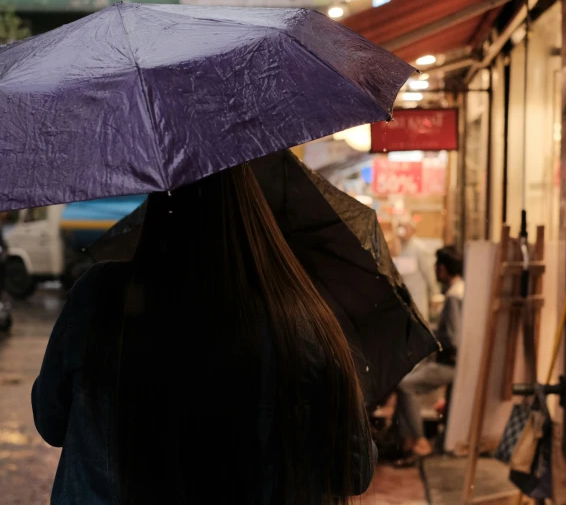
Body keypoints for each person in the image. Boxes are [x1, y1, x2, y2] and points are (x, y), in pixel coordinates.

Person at [32, 164, 377, 505]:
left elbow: (51, 421)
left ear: (158, 207)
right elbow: (352, 471)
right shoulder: (300, 323)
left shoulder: (99, 299)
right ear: (250, 211)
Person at [393, 245, 464, 467]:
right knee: (405, 377)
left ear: (442, 269)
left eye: (436, 266)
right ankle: (406, 441)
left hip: (452, 365)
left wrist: (432, 340)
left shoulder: (453, 296)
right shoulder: (460, 289)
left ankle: (420, 441)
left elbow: (453, 339)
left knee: (405, 385)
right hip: (453, 361)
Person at [396, 218, 439, 321]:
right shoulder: (401, 248)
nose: (401, 230)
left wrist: (434, 294)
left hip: (418, 298)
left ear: (412, 229)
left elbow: (429, 273)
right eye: (399, 227)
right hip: (405, 298)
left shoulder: (419, 248)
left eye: (404, 227)